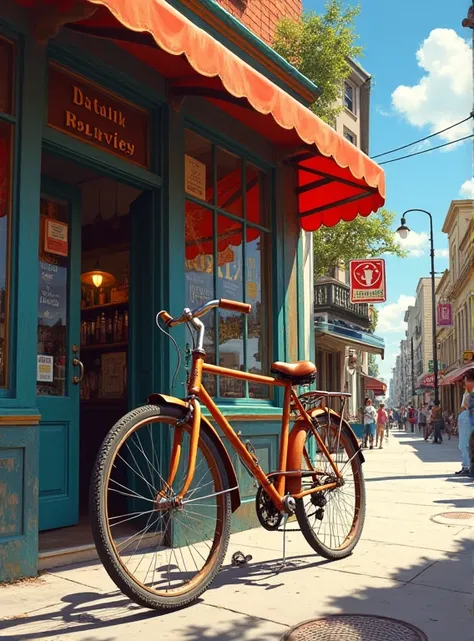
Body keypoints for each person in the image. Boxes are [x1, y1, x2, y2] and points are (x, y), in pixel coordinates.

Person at [455, 371, 474, 475]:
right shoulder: (468, 390)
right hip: (465, 417)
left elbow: (467, 404)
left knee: (465, 443)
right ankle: (465, 465)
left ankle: (467, 466)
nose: (464, 381)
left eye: (465, 379)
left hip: (467, 417)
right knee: (463, 444)